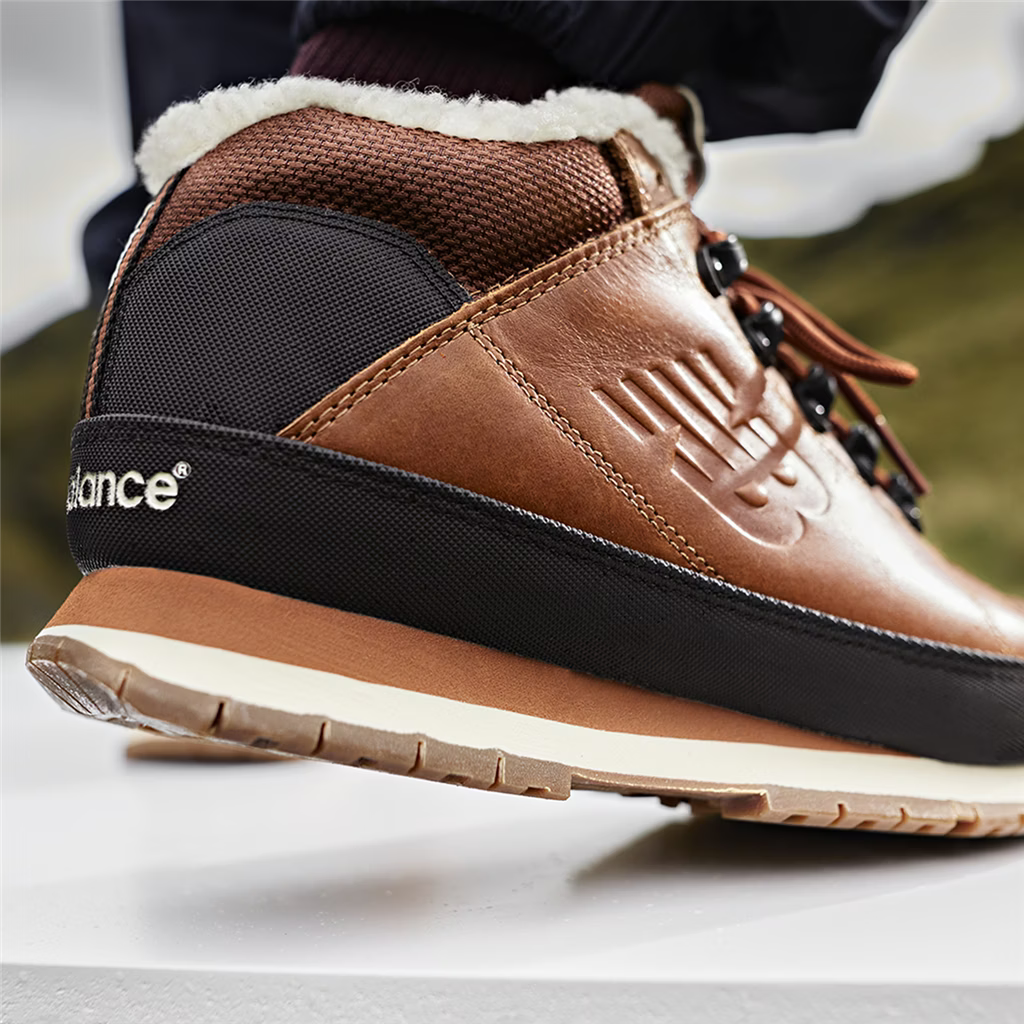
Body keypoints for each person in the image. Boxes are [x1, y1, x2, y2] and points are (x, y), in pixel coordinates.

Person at [29, 0, 1024, 837]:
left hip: (174, 328)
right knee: (482, 57)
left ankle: (259, 411)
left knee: (297, 73)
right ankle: (497, 171)